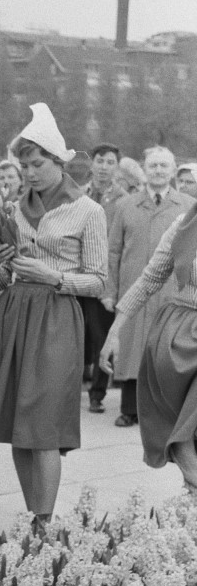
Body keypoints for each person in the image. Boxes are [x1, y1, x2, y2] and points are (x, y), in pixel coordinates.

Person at [0, 104, 108, 525]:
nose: (28, 172)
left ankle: (45, 522)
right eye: (23, 164)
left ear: (60, 161)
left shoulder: (88, 211)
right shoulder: (10, 208)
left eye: (37, 163)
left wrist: (54, 277)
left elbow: (99, 281)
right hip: (13, 314)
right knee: (18, 426)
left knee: (43, 427)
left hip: (57, 319)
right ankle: (33, 518)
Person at [101, 204, 197, 492]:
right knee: (186, 435)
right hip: (180, 337)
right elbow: (149, 279)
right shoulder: (184, 225)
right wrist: (114, 331)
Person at [102, 146, 195, 428]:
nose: (157, 171)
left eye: (163, 166)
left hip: (172, 304)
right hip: (180, 325)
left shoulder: (183, 203)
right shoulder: (183, 222)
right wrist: (114, 326)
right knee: (133, 351)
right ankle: (131, 408)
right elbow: (138, 270)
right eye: (152, 165)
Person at [83, 142, 126, 414]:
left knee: (101, 336)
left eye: (110, 162)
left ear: (116, 167)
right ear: (92, 163)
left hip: (105, 278)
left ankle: (97, 393)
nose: (104, 167)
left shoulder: (123, 200)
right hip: (77, 275)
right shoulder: (78, 193)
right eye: (100, 160)